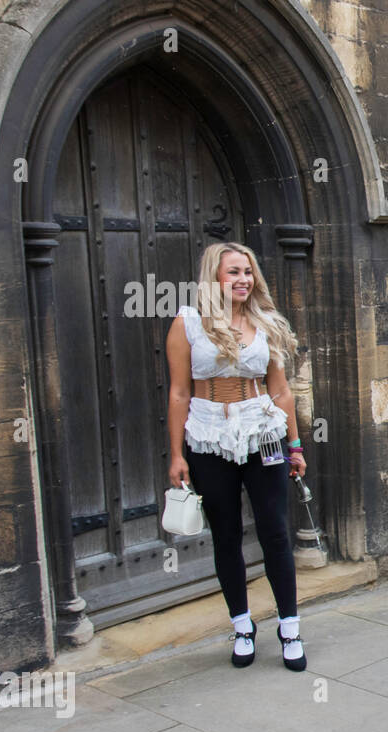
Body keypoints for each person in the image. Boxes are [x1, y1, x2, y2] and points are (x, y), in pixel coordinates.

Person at [166, 242, 308, 671]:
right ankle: (243, 626)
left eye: (248, 271)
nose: (244, 279)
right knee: (225, 535)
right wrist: (176, 454)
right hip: (208, 436)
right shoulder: (188, 324)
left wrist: (295, 445)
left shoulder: (265, 323)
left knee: (275, 532)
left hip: (263, 431)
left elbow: (281, 391)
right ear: (215, 277)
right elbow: (178, 392)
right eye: (233, 272)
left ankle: (290, 627)